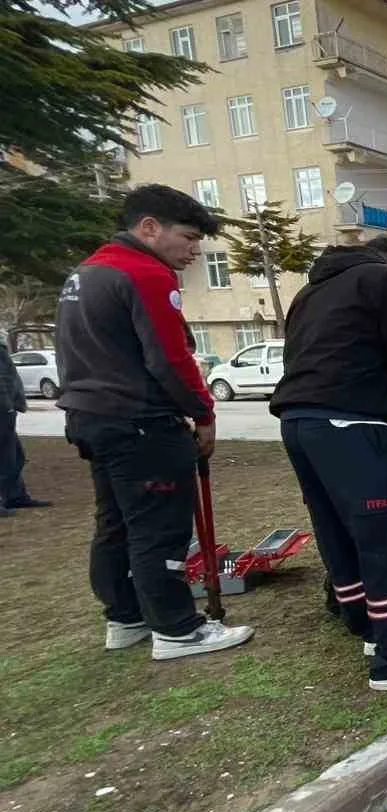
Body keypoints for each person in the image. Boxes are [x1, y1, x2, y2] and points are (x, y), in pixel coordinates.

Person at [54, 185, 255, 658]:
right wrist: (203, 411)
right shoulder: (144, 273)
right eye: (187, 238)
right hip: (141, 421)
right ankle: (177, 628)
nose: (194, 250)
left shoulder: (85, 274)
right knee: (158, 529)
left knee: (116, 523)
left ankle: (126, 617)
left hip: (93, 417)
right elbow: (171, 357)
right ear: (149, 228)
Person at [271, 237, 387, 691]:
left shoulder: (310, 292)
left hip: (299, 421)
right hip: (353, 423)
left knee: (338, 532)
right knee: (385, 536)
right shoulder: (383, 281)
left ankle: (369, 629)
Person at [0, 338, 49, 514]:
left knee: (13, 456)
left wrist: (16, 402)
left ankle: (15, 496)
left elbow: (9, 377)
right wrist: (6, 405)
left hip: (7, 408)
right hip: (3, 408)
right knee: (6, 454)